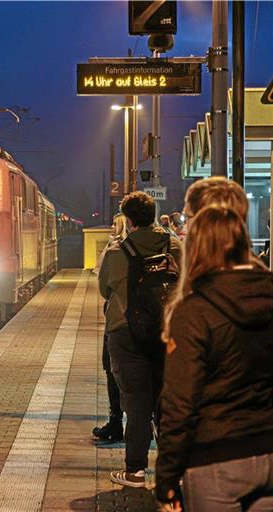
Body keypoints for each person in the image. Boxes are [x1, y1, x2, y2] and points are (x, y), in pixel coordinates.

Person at [155, 205, 273, 511]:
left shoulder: (193, 312)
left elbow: (180, 403)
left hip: (216, 458)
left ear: (196, 248)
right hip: (268, 453)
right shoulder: (270, 300)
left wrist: (167, 476)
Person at [98, 191, 182, 487]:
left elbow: (104, 290)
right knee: (167, 401)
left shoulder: (115, 251)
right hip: (169, 332)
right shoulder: (175, 246)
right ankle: (171, 473)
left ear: (128, 219)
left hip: (126, 333)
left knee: (136, 404)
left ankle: (134, 471)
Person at [92, 213, 127, 442]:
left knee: (113, 370)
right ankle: (151, 423)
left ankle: (116, 422)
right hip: (158, 323)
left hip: (120, 321)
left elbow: (104, 289)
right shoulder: (170, 244)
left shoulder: (115, 250)